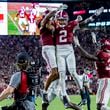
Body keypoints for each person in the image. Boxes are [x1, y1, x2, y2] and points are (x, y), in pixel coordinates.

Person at [54, 6, 104, 105]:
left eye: (63, 20)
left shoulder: (71, 25)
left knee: (73, 72)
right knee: (62, 75)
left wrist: (94, 15)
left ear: (67, 19)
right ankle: (64, 97)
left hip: (69, 50)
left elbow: (85, 22)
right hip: (59, 51)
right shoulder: (53, 27)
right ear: (56, 20)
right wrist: (57, 10)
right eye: (59, 20)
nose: (61, 22)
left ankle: (82, 93)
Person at [40, 5, 81, 110]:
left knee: (58, 77)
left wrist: (76, 20)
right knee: (55, 73)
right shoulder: (43, 23)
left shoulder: (55, 25)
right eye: (50, 19)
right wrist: (56, 10)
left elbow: (61, 27)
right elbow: (45, 20)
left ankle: (50, 100)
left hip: (54, 50)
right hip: (48, 49)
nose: (52, 21)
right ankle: (44, 93)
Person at [74, 36, 110, 110]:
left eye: (101, 44)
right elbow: (97, 50)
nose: (99, 45)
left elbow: (87, 56)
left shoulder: (103, 54)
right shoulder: (106, 54)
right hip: (104, 80)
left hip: (105, 80)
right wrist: (94, 41)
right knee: (99, 106)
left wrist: (78, 45)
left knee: (101, 106)